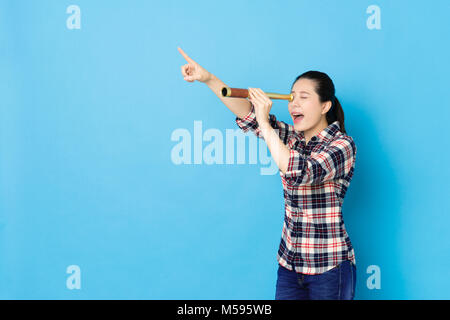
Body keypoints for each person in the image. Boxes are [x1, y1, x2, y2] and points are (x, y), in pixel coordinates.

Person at [178, 47, 357, 300]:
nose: (294, 103)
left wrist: (265, 123)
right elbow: (247, 114)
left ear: (325, 105)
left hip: (328, 268)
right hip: (289, 265)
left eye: (303, 97)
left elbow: (300, 171)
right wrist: (208, 78)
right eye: (292, 97)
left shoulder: (342, 145)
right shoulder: (292, 139)